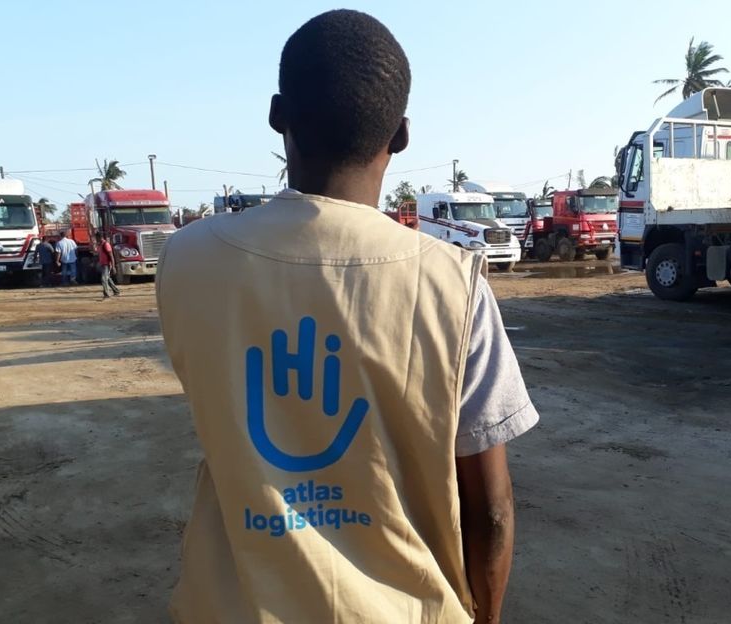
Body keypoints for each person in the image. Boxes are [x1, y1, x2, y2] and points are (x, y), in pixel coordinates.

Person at [156, 10, 538, 623]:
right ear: (402, 135)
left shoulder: (188, 259)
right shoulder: (452, 284)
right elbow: (490, 510)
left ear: (278, 117)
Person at [94, 232, 121, 298]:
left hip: (106, 265)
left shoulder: (105, 244)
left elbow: (111, 255)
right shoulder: (100, 245)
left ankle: (106, 294)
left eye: (96, 238)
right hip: (102, 264)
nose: (96, 239)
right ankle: (116, 291)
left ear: (99, 237)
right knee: (108, 279)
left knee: (104, 279)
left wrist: (113, 266)